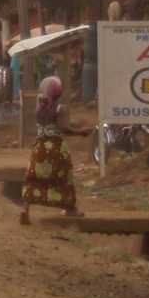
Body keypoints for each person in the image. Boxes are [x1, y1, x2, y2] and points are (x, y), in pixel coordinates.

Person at [18, 76, 91, 225]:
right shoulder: (60, 109)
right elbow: (64, 128)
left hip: (40, 147)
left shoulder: (39, 108)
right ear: (59, 93)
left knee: (32, 177)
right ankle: (70, 209)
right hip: (56, 148)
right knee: (64, 178)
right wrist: (80, 132)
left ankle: (25, 209)